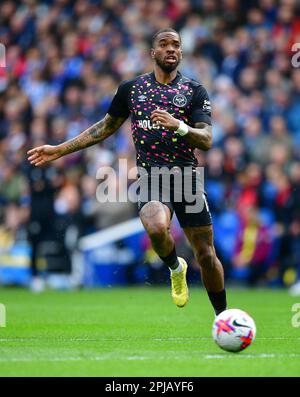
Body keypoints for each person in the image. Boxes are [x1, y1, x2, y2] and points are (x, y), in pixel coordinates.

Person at [27, 28, 227, 315]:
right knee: (156, 226)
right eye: (164, 44)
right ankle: (174, 267)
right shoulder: (132, 89)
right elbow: (105, 127)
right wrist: (60, 149)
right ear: (153, 52)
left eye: (176, 45)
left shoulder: (194, 91)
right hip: (151, 177)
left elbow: (207, 139)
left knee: (207, 255)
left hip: (186, 178)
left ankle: (222, 318)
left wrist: (179, 126)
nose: (171, 49)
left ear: (181, 52)